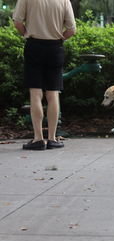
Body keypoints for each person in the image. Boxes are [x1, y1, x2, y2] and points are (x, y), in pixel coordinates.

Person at [13, 0, 76, 150]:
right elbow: (72, 29)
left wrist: (26, 34)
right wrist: (60, 38)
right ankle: (53, 139)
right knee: (53, 93)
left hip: (34, 46)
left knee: (35, 93)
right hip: (55, 47)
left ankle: (38, 139)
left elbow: (17, 22)